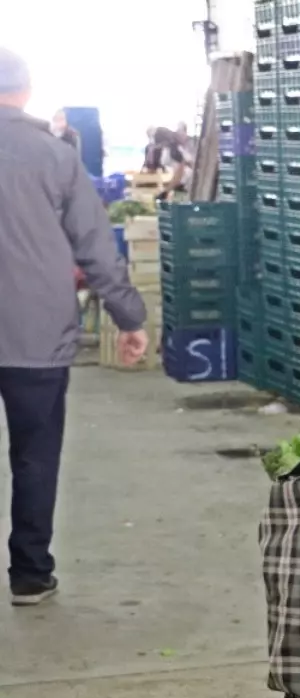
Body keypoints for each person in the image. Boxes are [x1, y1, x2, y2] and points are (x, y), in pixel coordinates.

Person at [0, 48, 149, 606]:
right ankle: (30, 574)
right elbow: (95, 246)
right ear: (28, 89)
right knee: (35, 454)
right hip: (36, 332)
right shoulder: (54, 156)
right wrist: (128, 317)